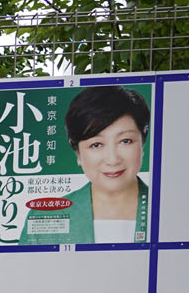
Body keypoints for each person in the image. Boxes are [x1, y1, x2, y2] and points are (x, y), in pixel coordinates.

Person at [20, 86, 151, 244]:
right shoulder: (42, 218)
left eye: (125, 141)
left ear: (142, 143)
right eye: (96, 144)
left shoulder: (169, 211)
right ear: (78, 153)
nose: (112, 159)